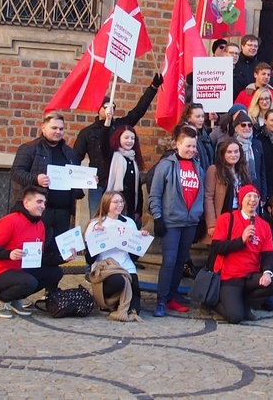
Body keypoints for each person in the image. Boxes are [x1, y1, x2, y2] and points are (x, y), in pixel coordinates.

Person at [74, 74, 163, 215]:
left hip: (120, 185)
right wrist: (78, 184)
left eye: (113, 107)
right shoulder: (87, 132)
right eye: (106, 107)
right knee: (98, 221)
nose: (111, 109)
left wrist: (153, 87)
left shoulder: (120, 125)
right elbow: (75, 158)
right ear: (99, 109)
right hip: (98, 184)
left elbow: (138, 111)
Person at [10, 113, 84, 272]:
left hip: (63, 211)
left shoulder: (69, 153)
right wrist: (35, 179)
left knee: (56, 251)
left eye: (61, 129)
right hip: (41, 210)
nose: (58, 131)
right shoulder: (29, 148)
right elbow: (16, 172)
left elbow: (75, 179)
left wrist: (87, 182)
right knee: (35, 248)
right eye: (54, 128)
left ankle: (51, 288)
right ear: (43, 128)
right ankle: (25, 283)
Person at [148, 125, 205, 317]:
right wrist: (157, 217)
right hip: (171, 222)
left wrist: (198, 215)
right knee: (169, 261)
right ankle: (161, 300)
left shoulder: (198, 166)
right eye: (187, 146)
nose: (191, 150)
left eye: (193, 146)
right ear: (178, 144)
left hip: (190, 222)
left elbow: (201, 194)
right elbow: (154, 194)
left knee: (181, 261)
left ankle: (172, 296)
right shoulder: (166, 165)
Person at [209, 185, 273, 323]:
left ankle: (245, 302)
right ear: (241, 200)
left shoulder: (264, 225)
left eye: (256, 197)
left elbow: (268, 254)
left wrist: (267, 272)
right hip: (229, 275)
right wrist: (241, 240)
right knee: (235, 317)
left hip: (250, 274)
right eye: (249, 196)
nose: (252, 200)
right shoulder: (227, 219)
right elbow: (216, 247)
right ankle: (213, 302)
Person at [0, 187, 63, 319]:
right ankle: (1, 300)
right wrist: (8, 254)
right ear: (26, 203)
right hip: (0, 271)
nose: (43, 206)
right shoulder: (11, 220)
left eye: (44, 203)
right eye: (39, 202)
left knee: (55, 273)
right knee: (29, 282)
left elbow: (40, 258)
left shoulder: (40, 225)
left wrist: (63, 258)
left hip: (22, 269)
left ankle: (15, 299)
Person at [85, 191, 149, 321]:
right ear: (107, 204)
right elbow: (89, 259)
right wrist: (97, 238)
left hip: (126, 266)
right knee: (119, 281)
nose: (119, 205)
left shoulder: (129, 223)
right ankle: (108, 301)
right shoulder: (96, 224)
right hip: (106, 268)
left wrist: (141, 241)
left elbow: (134, 256)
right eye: (116, 202)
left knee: (135, 309)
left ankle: (121, 303)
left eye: (121, 201)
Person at [203, 137, 251, 241]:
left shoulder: (243, 171)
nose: (233, 155)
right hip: (222, 216)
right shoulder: (214, 170)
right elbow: (208, 197)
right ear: (223, 154)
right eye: (229, 152)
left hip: (238, 217)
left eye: (236, 151)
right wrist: (211, 224)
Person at [101, 117, 145, 226]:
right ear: (118, 138)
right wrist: (107, 121)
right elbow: (103, 141)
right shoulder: (112, 156)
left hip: (130, 206)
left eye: (132, 138)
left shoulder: (133, 159)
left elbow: (138, 189)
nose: (130, 141)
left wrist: (138, 210)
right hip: (113, 205)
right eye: (126, 137)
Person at [232, 111, 267, 199]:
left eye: (249, 125)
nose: (247, 128)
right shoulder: (231, 145)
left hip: (255, 190)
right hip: (237, 191)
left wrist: (263, 194)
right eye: (243, 125)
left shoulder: (257, 144)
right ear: (236, 128)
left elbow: (262, 171)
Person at [180, 102, 215, 174]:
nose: (201, 120)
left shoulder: (205, 135)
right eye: (198, 116)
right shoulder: (183, 136)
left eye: (202, 116)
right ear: (188, 118)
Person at [233, 34, 260, 99]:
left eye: (255, 46)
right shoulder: (234, 62)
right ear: (242, 46)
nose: (253, 48)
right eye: (250, 45)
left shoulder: (259, 65)